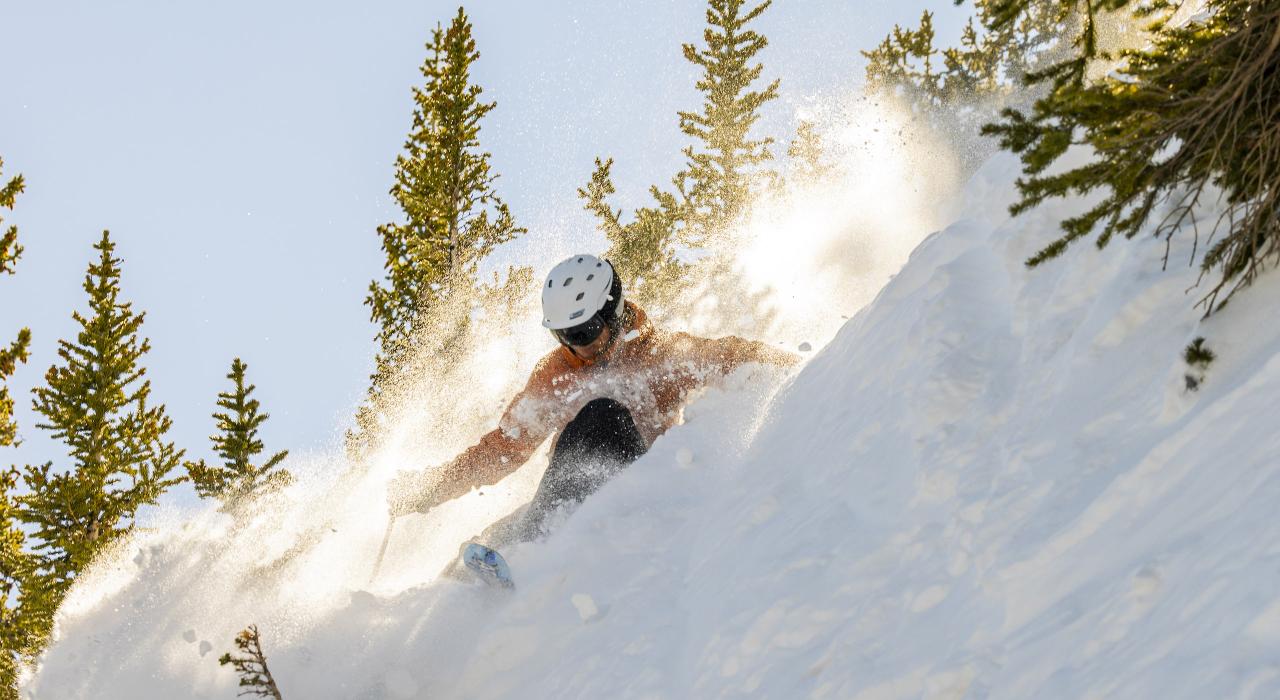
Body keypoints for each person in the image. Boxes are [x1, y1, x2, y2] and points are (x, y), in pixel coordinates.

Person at [387, 253, 797, 544]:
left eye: (583, 333)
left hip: (639, 496)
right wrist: (428, 490)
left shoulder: (662, 357)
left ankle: (536, 543)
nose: (575, 347)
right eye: (564, 336)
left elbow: (730, 358)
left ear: (613, 310)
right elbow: (504, 448)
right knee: (482, 547)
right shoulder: (557, 375)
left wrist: (807, 370)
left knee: (603, 412)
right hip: (565, 498)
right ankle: (490, 570)